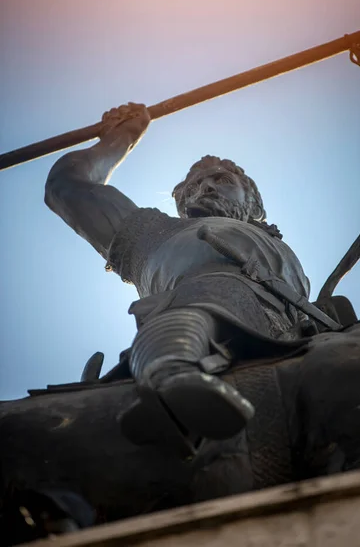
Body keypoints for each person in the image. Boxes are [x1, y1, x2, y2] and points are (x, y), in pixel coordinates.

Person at [45, 102, 312, 452]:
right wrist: (121, 138)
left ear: (254, 202)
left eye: (222, 180)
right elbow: (67, 187)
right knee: (214, 291)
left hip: (295, 331)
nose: (205, 190)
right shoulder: (152, 233)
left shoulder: (278, 248)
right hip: (203, 304)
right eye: (193, 187)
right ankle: (169, 371)